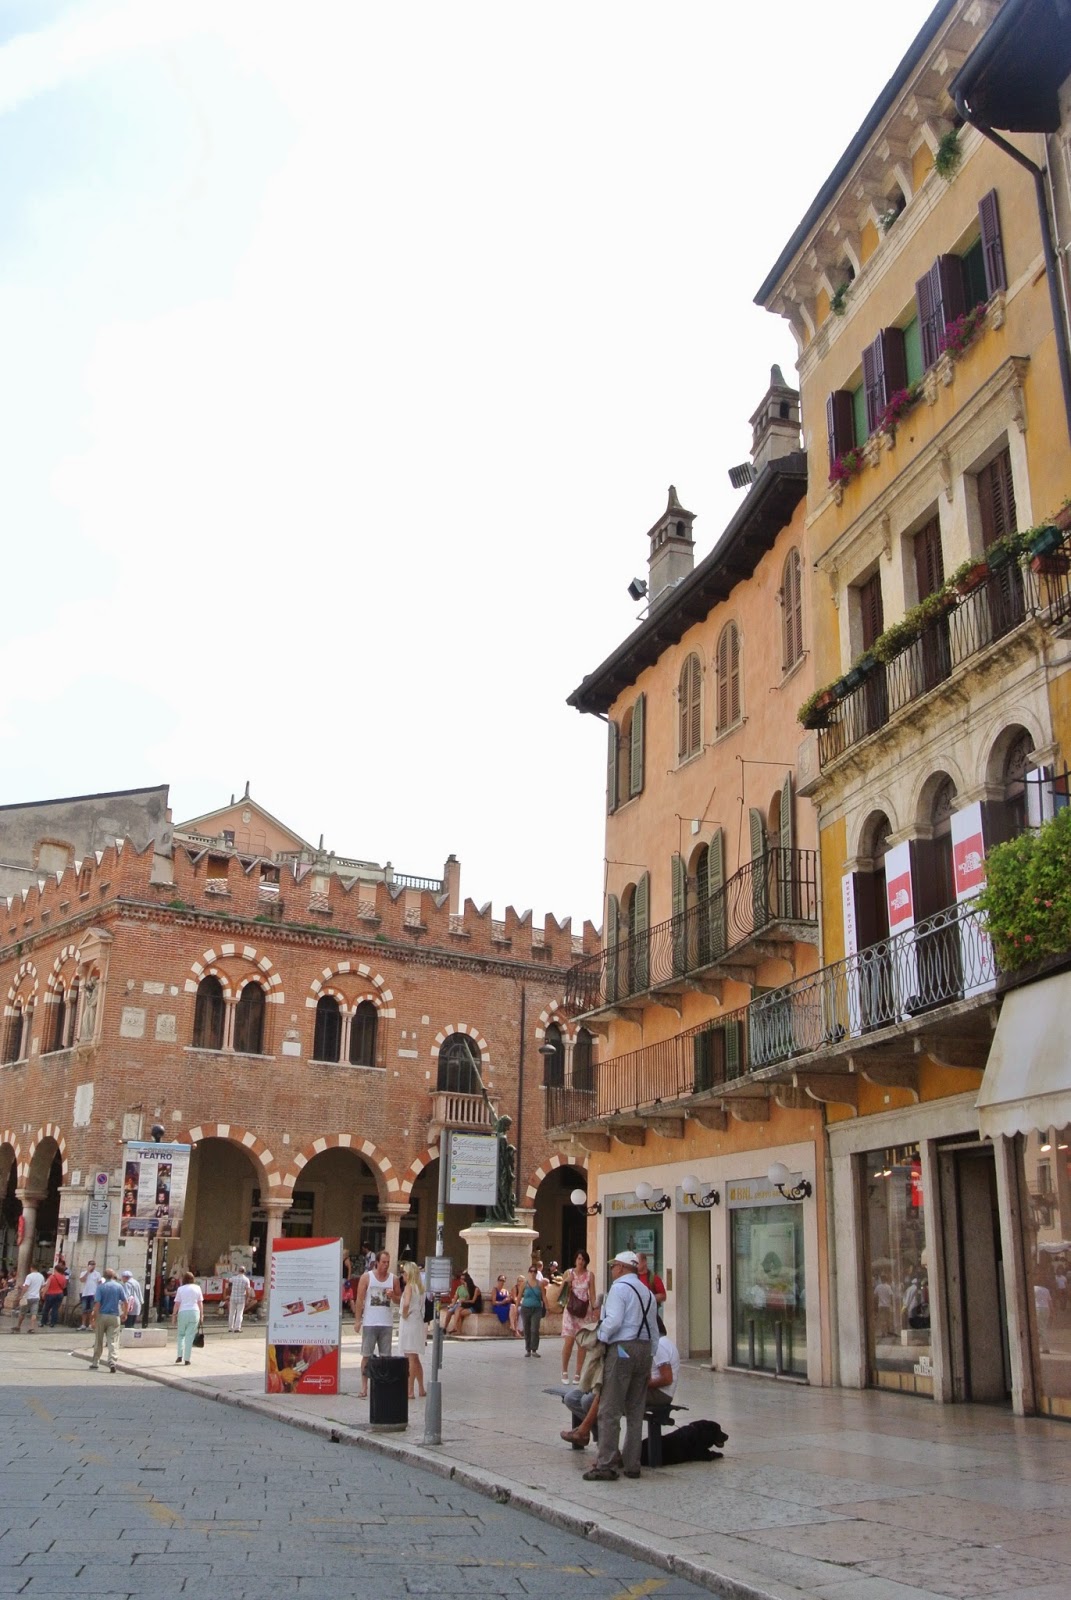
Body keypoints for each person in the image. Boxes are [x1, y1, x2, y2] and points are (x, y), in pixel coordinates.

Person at [583, 1250, 656, 1482]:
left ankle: (606, 1465)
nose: (612, 1269)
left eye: (614, 1265)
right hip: (644, 1349)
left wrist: (600, 1338)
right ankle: (633, 1464)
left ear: (622, 1267)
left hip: (622, 1348)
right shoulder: (647, 1292)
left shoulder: (619, 1289)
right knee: (635, 1411)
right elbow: (654, 1330)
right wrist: (650, 1356)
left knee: (610, 1409)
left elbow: (613, 1321)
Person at [563, 1315, 676, 1447]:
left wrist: (636, 1384)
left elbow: (667, 1378)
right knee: (573, 1398)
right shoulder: (648, 1343)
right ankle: (594, 1436)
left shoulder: (660, 1344)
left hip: (659, 1394)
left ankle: (596, 1438)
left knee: (595, 1399)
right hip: (646, 1388)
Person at [354, 1249, 400, 1399]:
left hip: (386, 1323)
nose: (386, 1265)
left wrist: (393, 1296)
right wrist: (357, 1320)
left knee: (385, 1357)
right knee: (366, 1355)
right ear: (377, 1263)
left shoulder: (393, 1279)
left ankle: (383, 1386)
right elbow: (359, 1299)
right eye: (383, 1262)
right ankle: (364, 1387)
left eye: (388, 1262)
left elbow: (399, 1300)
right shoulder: (367, 1277)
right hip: (370, 1322)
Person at [558, 1249, 595, 1383]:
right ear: (575, 1260)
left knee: (581, 1344)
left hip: (584, 1311)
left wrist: (596, 1310)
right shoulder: (569, 1273)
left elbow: (592, 1294)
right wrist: (566, 1281)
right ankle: (564, 1371)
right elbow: (560, 1293)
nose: (581, 1262)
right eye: (579, 1259)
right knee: (569, 1341)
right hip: (570, 1310)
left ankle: (578, 1373)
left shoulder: (590, 1275)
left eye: (583, 1259)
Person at [398, 1260, 427, 1399]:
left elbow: (406, 1304)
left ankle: (409, 1390)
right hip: (418, 1321)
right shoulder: (420, 1288)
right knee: (415, 1357)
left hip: (409, 1322)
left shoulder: (409, 1287)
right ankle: (421, 1388)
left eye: (404, 1272)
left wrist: (404, 1313)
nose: (402, 1275)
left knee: (410, 1357)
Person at [89, 1267, 128, 1372]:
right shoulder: (119, 1287)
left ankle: (95, 1361)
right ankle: (112, 1361)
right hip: (114, 1316)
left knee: (99, 1339)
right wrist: (125, 1313)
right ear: (113, 1276)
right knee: (113, 1340)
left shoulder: (101, 1287)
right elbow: (125, 1301)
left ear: (104, 1276)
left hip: (102, 1315)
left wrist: (94, 1318)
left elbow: (97, 1304)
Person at [171, 1270, 204, 1365]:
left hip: (183, 1312)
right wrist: (201, 1315)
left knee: (181, 1334)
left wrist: (174, 1315)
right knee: (190, 1336)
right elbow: (200, 1303)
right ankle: (187, 1359)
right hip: (194, 1312)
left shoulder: (180, 1289)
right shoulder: (197, 1288)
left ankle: (179, 1355)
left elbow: (177, 1304)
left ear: (184, 1279)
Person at [519, 1264, 548, 1357]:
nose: (532, 1273)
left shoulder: (540, 1284)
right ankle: (528, 1349)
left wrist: (547, 1307)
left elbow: (544, 1296)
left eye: (534, 1271)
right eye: (531, 1271)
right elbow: (519, 1296)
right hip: (525, 1308)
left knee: (535, 1329)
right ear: (528, 1272)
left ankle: (534, 1349)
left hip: (536, 1309)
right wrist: (516, 1307)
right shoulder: (524, 1284)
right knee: (526, 1329)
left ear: (536, 1273)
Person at [13, 1266, 45, 1333]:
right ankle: (32, 1328)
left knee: (22, 1312)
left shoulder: (29, 1276)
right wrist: (37, 1291)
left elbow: (26, 1286)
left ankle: (18, 1326)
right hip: (36, 1297)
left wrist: (21, 1295)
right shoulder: (41, 1276)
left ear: (31, 1268)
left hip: (27, 1297)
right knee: (34, 1313)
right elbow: (42, 1286)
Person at [40, 1262, 69, 1328]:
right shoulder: (63, 1277)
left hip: (50, 1294)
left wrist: (43, 1294)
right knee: (55, 1309)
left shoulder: (52, 1277)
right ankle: (52, 1323)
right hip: (60, 1294)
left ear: (55, 1269)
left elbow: (47, 1286)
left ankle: (43, 1322)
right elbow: (64, 1286)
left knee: (46, 1309)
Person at [227, 1268, 253, 1333]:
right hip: (241, 1298)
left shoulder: (234, 1278)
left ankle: (230, 1327)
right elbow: (247, 1290)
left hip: (233, 1297)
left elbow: (228, 1280)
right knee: (239, 1313)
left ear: (238, 1271)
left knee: (231, 1313)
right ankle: (237, 1328)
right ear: (244, 1272)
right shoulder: (246, 1280)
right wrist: (247, 1298)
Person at [79, 1259, 101, 1330]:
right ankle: (83, 1324)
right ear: (88, 1265)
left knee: (92, 1310)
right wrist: (87, 1272)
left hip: (93, 1294)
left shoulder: (97, 1274)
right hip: (85, 1293)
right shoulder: (83, 1273)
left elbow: (100, 1283)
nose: (92, 1266)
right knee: (84, 1310)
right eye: (91, 1264)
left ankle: (90, 1324)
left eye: (93, 1264)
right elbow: (82, 1280)